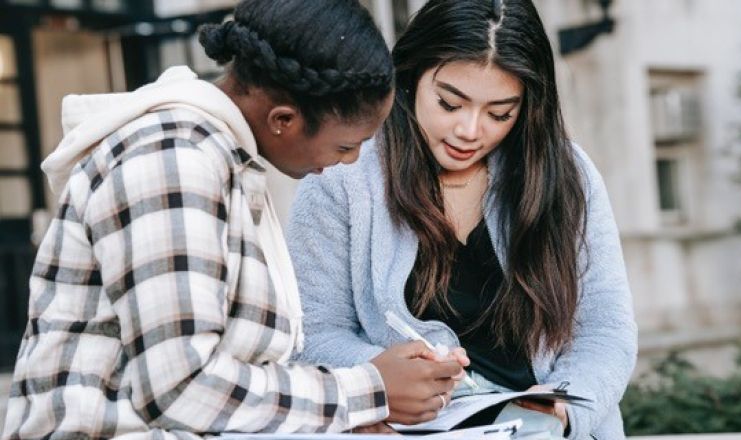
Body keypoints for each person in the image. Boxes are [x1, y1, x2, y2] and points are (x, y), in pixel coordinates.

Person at [2, 1, 464, 438]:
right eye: (346, 146)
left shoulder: (222, 159)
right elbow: (181, 387)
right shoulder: (173, 160)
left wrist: (339, 414)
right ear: (283, 119)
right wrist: (367, 391)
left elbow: (233, 370)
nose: (351, 161)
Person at [287, 0, 638, 438]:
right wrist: (378, 381)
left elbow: (605, 332)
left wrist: (556, 412)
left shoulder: (568, 175)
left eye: (499, 114)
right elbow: (313, 335)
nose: (470, 131)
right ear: (412, 77)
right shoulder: (343, 174)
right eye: (450, 104)